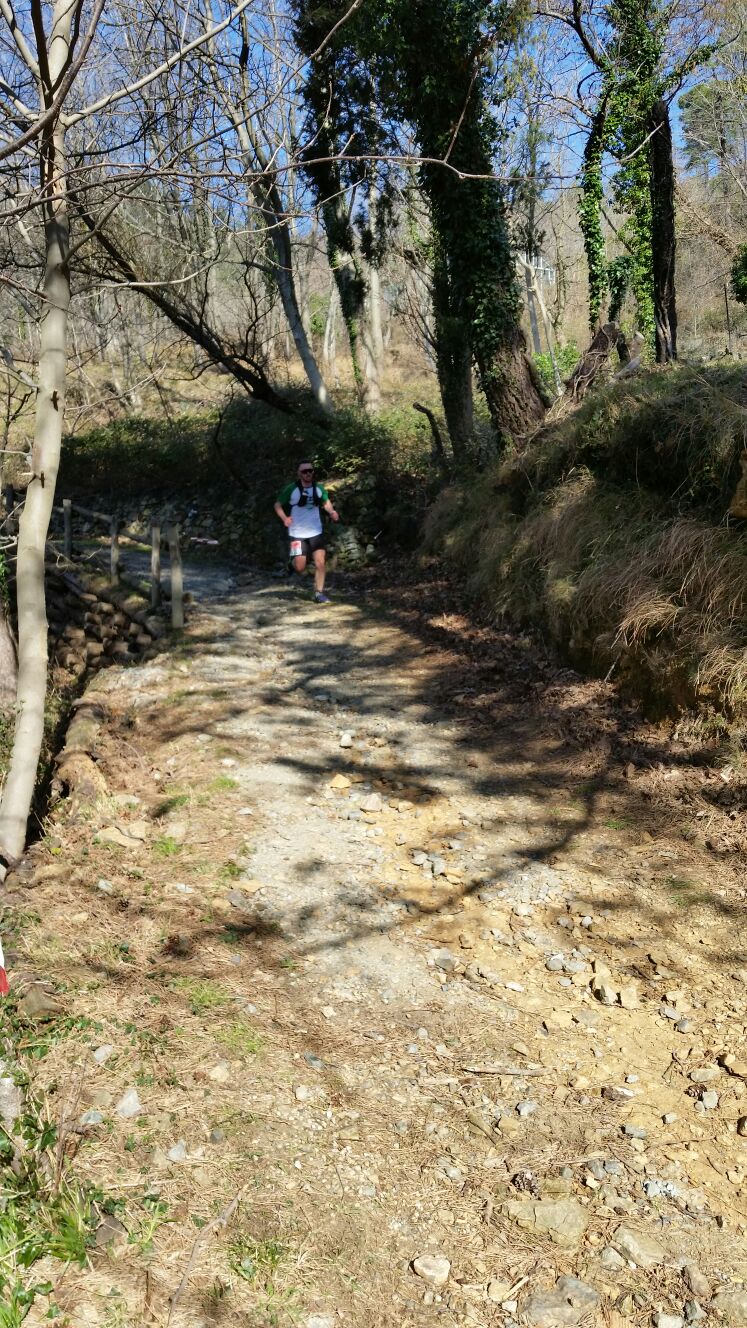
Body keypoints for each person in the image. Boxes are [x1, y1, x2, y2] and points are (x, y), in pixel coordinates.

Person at [274, 460, 339, 603]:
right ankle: (291, 564)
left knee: (320, 562)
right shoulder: (291, 489)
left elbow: (325, 502)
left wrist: (332, 512)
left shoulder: (319, 488)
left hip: (316, 531)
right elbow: (277, 505)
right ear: (299, 474)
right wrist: (285, 518)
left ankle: (318, 593)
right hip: (297, 533)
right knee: (300, 567)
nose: (308, 473)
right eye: (304, 471)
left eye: (310, 470)